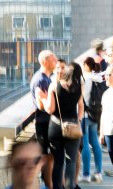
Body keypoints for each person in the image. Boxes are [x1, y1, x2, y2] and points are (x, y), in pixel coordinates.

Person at [38, 62, 84, 189]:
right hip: (73, 126)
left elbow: (50, 109)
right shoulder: (79, 86)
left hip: (56, 126)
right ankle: (70, 186)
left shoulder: (54, 85)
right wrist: (78, 120)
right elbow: (81, 106)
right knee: (71, 161)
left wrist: (42, 98)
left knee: (58, 162)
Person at [30, 50, 57, 189]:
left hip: (47, 122)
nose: (57, 62)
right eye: (54, 60)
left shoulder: (46, 78)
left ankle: (49, 185)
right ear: (45, 61)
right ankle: (48, 185)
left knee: (50, 155)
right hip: (44, 123)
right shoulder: (41, 79)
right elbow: (43, 105)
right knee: (46, 156)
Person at [80, 57, 103, 183]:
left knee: (85, 144)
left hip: (84, 114)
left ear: (85, 65)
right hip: (95, 113)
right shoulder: (98, 77)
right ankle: (98, 172)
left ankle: (86, 174)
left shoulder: (85, 78)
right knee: (95, 142)